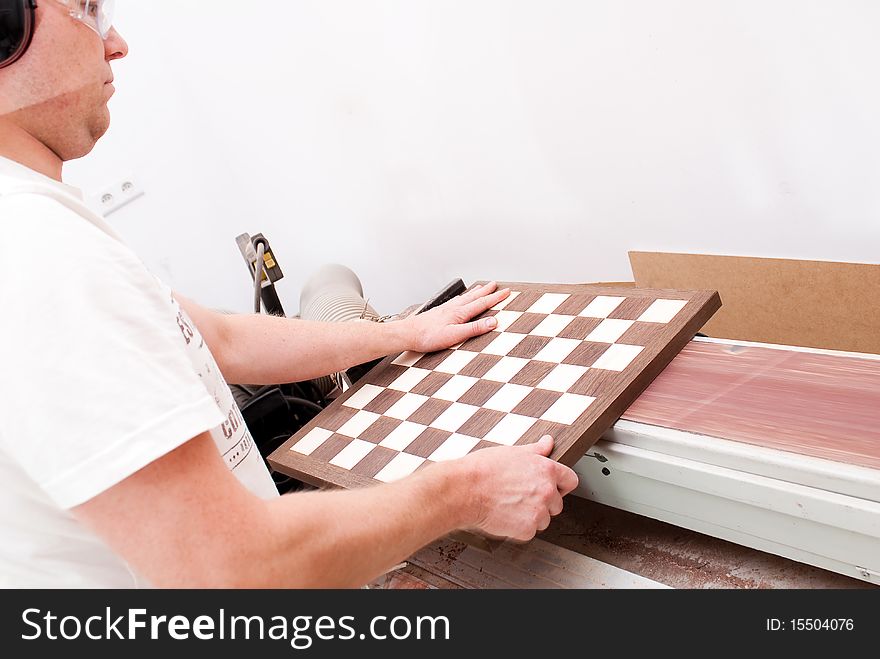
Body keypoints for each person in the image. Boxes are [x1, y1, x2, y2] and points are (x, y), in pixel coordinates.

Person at [0, 0, 578, 588]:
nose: (116, 42)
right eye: (86, 9)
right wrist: (468, 491)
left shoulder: (40, 226)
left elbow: (220, 336)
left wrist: (403, 332)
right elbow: (232, 567)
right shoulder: (38, 251)